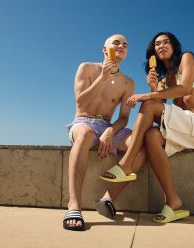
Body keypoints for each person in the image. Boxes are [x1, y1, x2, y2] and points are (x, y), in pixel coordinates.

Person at [100, 32, 194, 223]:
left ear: (174, 46)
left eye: (166, 42)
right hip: (182, 132)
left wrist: (148, 96)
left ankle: (126, 164)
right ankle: (172, 201)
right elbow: (159, 116)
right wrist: (154, 88)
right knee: (152, 135)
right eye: (157, 44)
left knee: (150, 103)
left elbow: (185, 89)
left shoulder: (187, 58)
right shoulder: (163, 80)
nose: (161, 46)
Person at [63, 34, 147, 231]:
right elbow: (80, 103)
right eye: (116, 42)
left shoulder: (128, 83)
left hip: (109, 127)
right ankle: (73, 205)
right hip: (83, 122)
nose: (121, 46)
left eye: (125, 44)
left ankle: (108, 199)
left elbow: (124, 118)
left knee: (139, 145)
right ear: (104, 49)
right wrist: (102, 78)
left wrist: (109, 131)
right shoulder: (87, 68)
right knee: (84, 135)